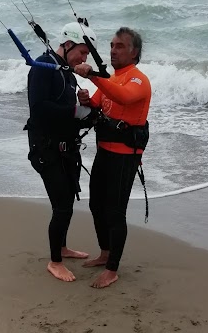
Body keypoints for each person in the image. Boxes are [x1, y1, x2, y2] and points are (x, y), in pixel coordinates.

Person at [74, 27, 151, 289]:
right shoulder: (112, 78)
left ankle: (112, 269)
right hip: (104, 152)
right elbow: (97, 103)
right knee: (96, 205)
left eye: (120, 46)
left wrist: (93, 77)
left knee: (115, 212)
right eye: (111, 45)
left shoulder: (137, 80)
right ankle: (105, 252)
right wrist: (85, 97)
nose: (113, 50)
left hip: (124, 158)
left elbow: (124, 97)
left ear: (134, 52)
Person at [26, 20, 98, 282]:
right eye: (81, 52)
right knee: (62, 206)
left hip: (66, 149)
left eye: (86, 54)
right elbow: (39, 109)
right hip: (46, 149)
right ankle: (55, 262)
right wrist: (75, 111)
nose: (83, 58)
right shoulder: (42, 67)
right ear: (67, 45)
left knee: (68, 200)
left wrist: (81, 105)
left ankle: (62, 248)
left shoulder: (65, 71)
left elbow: (66, 108)